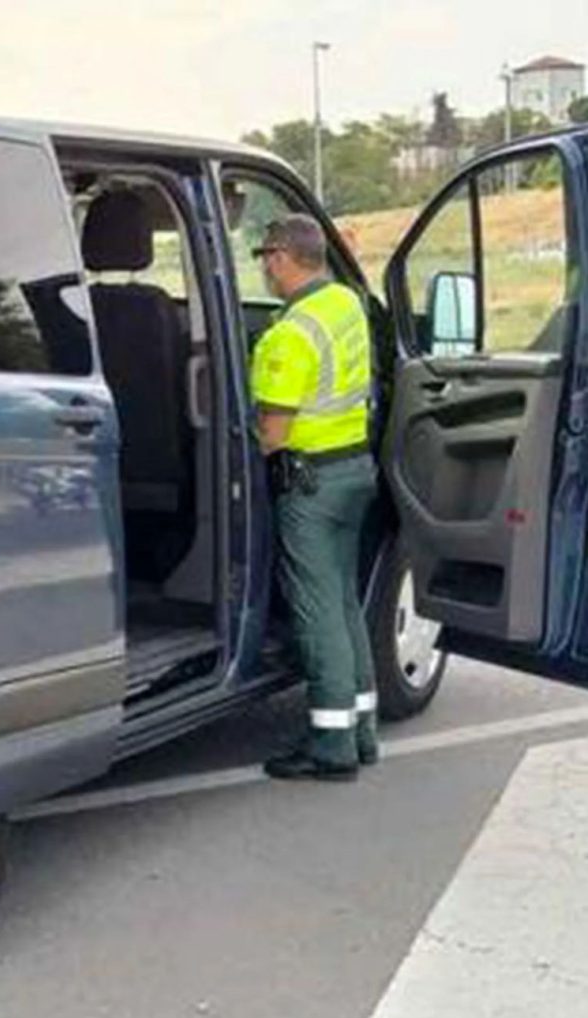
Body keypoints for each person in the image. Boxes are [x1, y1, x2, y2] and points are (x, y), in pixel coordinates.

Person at [249, 214, 378, 782]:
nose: (265, 271)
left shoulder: (289, 335)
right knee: (346, 604)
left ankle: (331, 746)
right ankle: (363, 731)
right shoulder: (346, 305)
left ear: (281, 257)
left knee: (318, 611)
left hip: (310, 487)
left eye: (265, 259)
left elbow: (272, 435)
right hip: (353, 470)